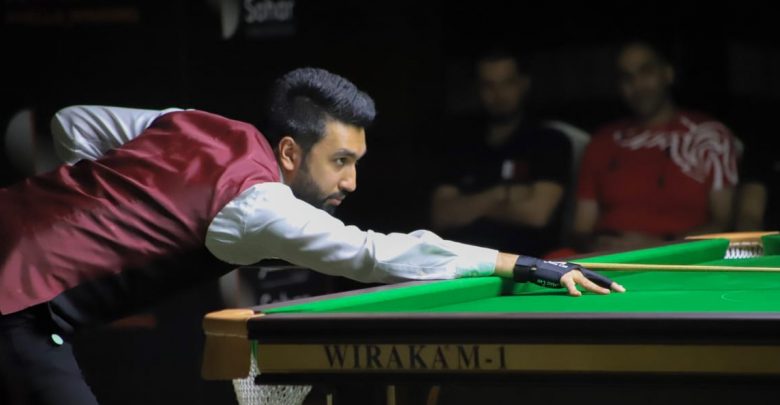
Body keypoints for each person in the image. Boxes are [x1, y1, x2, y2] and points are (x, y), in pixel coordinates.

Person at [0, 67, 624, 405]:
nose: (351, 182)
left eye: (357, 162)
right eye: (341, 162)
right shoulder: (261, 207)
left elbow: (72, 124)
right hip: (17, 304)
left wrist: (98, 201)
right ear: (290, 152)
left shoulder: (196, 125)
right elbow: (375, 254)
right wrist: (522, 264)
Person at [572, 41, 740, 252]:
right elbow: (581, 228)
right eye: (626, 77)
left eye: (646, 71)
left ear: (668, 73)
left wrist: (657, 246)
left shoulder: (709, 136)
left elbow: (724, 224)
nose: (637, 84)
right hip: (606, 259)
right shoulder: (602, 141)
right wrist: (598, 246)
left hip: (682, 259)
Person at [430, 49, 574, 256]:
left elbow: (537, 214)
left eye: (507, 83)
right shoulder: (461, 144)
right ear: (477, 89)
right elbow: (441, 215)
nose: (499, 94)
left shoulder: (550, 141)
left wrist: (470, 204)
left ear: (524, 83)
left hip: (530, 262)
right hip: (465, 261)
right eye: (489, 85)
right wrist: (500, 195)